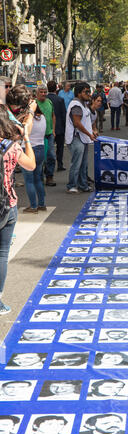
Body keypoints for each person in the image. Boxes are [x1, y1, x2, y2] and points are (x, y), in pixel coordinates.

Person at [0, 105, 36, 314]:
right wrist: (27, 138)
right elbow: (31, 165)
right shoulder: (11, 147)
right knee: (2, 253)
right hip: (7, 204)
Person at [65, 82, 96, 194]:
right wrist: (89, 134)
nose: (88, 93)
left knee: (83, 163)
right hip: (76, 137)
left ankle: (83, 184)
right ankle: (72, 185)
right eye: (86, 91)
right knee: (77, 163)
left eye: (89, 91)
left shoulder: (83, 103)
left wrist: (92, 131)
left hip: (82, 137)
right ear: (79, 93)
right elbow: (77, 123)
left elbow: (87, 120)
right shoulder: (76, 105)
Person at [21, 101, 46, 213]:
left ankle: (33, 206)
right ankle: (41, 204)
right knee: (38, 179)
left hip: (28, 149)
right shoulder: (43, 117)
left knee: (29, 180)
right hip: (40, 148)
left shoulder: (26, 119)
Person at [36, 85, 57, 187]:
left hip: (49, 135)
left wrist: (53, 129)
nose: (44, 94)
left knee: (51, 157)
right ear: (37, 93)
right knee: (40, 158)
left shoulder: (49, 102)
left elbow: (53, 115)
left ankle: (49, 177)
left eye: (45, 92)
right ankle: (39, 178)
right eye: (41, 92)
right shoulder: (34, 104)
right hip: (38, 137)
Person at [46, 80, 66, 171]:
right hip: (59, 128)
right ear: (56, 88)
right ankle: (60, 164)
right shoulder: (60, 100)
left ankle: (48, 166)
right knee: (60, 147)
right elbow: (63, 115)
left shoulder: (44, 99)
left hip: (48, 128)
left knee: (48, 148)